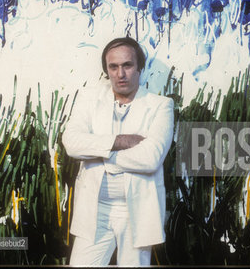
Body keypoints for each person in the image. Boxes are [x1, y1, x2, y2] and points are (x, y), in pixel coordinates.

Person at [61, 37, 174, 266]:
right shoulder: (88, 99)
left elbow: (151, 158)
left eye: (127, 65)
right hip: (94, 210)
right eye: (113, 67)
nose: (120, 74)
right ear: (107, 71)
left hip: (136, 213)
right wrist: (119, 141)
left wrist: (99, 151)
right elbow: (71, 142)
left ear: (139, 67)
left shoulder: (160, 105)